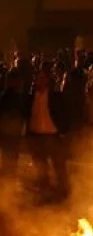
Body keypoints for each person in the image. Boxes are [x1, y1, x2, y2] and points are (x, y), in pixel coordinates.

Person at [27, 68, 71, 202]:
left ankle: (63, 192)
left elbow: (64, 114)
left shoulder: (55, 96)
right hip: (36, 136)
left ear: (47, 80)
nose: (39, 81)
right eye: (37, 78)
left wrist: (63, 132)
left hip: (52, 135)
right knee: (41, 166)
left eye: (42, 78)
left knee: (58, 165)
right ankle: (45, 192)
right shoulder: (31, 95)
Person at [0, 69, 26, 177]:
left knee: (10, 158)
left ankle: (8, 180)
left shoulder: (8, 96)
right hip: (9, 133)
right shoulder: (7, 97)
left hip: (11, 133)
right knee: (9, 158)